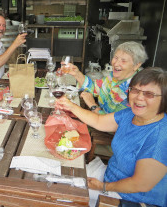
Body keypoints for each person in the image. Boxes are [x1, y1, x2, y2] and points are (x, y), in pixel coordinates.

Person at [56, 67, 167, 206]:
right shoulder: (130, 114)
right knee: (56, 177)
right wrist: (70, 106)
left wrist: (103, 187)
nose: (139, 97)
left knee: (62, 196)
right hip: (109, 176)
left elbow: (140, 184)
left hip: (131, 198)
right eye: (135, 90)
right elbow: (98, 121)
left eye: (149, 94)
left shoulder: (160, 136)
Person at [66, 41, 148, 114]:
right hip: (99, 119)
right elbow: (96, 87)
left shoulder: (135, 90)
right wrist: (77, 74)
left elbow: (113, 123)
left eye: (123, 60)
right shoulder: (114, 77)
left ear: (137, 65)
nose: (116, 63)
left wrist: (93, 105)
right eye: (116, 58)